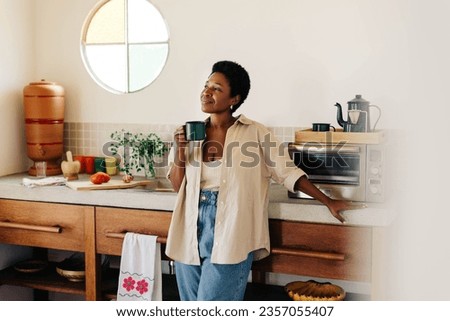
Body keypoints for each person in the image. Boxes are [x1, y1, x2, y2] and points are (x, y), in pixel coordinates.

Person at [165, 60, 355, 301]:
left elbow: (287, 172)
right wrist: (180, 151)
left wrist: (327, 201)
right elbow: (177, 187)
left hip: (232, 228)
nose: (206, 92)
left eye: (217, 88)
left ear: (234, 98)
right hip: (189, 227)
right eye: (206, 86)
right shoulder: (189, 133)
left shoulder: (256, 133)